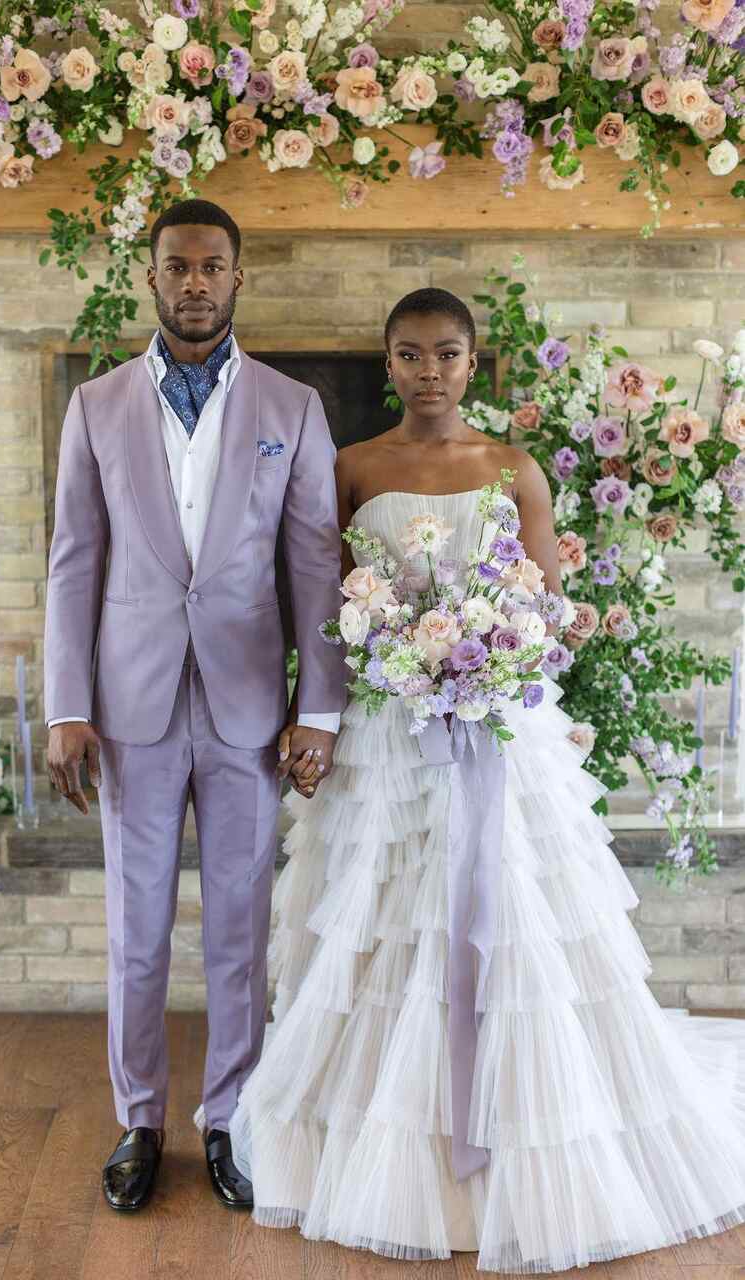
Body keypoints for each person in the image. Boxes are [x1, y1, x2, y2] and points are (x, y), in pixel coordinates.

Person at [227, 287, 745, 1269]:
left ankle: (523, 1143)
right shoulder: (349, 467)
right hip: (390, 737)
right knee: (389, 928)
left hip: (498, 729)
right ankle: (391, 1149)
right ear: (388, 364)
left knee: (517, 923)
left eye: (448, 354)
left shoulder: (512, 467)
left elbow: (543, 612)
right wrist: (357, 691)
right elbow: (322, 603)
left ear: (474, 365)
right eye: (412, 355)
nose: (430, 372)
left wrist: (482, 661)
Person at [43, 199, 347, 1214]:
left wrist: (323, 706)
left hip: (250, 704)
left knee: (239, 925)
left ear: (238, 276)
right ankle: (140, 1119)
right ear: (152, 274)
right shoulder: (95, 406)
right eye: (177, 265)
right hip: (126, 707)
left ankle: (231, 1119)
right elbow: (73, 563)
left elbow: (312, 562)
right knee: (134, 929)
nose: (195, 282)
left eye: (213, 265)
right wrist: (64, 705)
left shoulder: (291, 407)